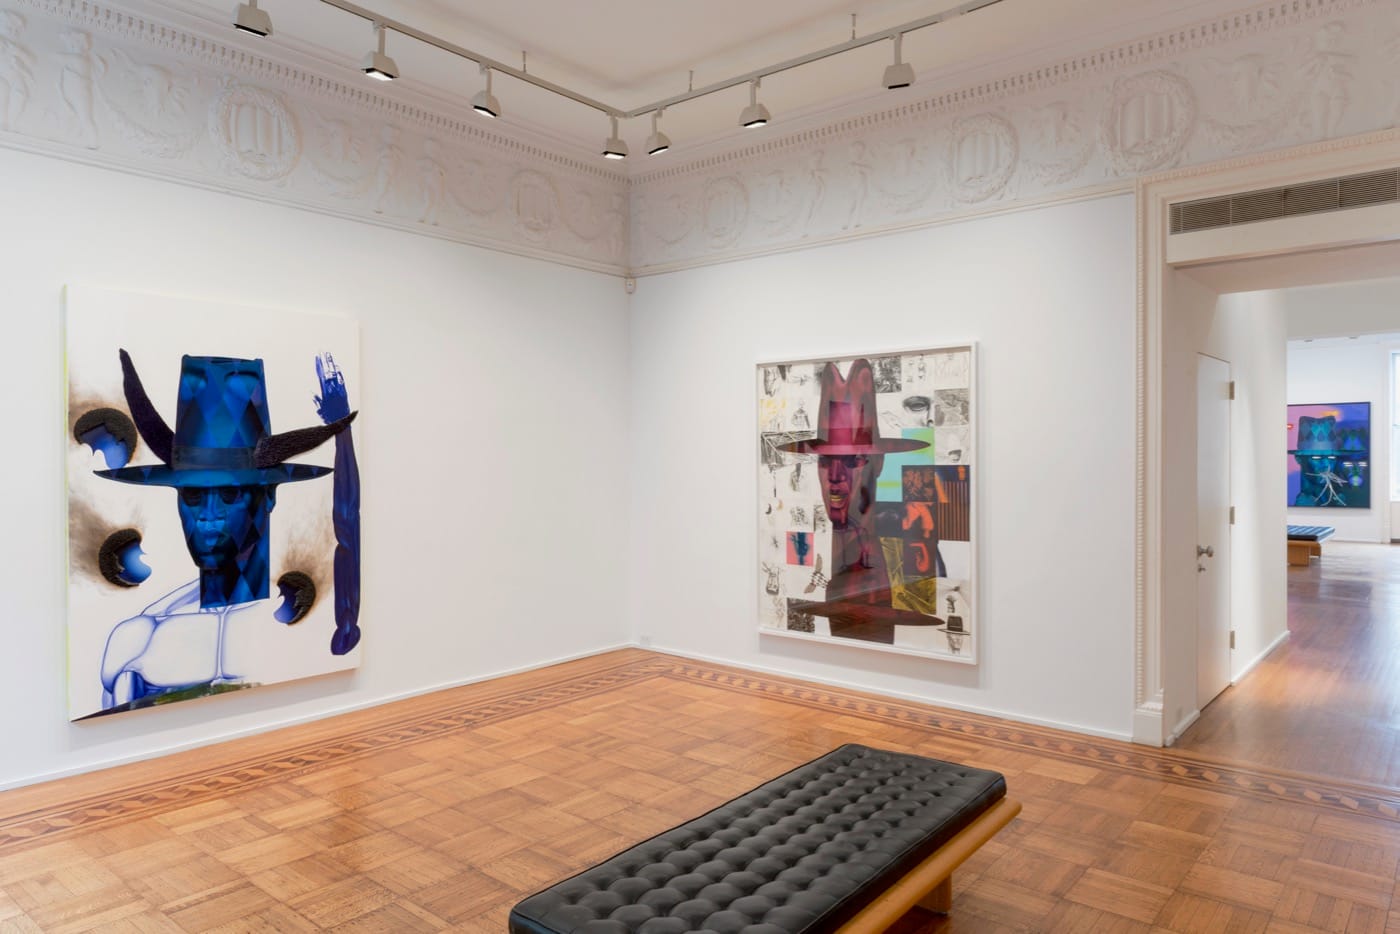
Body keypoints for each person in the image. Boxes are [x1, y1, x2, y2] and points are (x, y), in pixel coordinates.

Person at [90, 351, 355, 714]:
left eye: (230, 495)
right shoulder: (138, 644)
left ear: (268, 497)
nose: (208, 517)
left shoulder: (315, 626)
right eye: (193, 496)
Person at [779, 358, 940, 644]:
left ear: (877, 464)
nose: (835, 476)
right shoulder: (840, 554)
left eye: (851, 461)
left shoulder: (885, 564)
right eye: (826, 461)